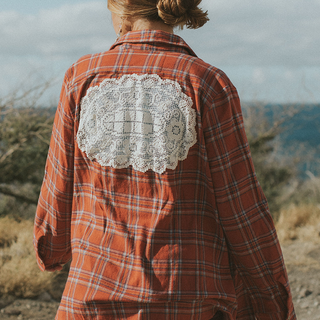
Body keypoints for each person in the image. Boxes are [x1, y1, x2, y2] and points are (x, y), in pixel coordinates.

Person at [34, 0, 296, 319]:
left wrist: (51, 249)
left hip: (92, 290)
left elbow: (59, 183)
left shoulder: (81, 76)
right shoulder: (208, 83)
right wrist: (271, 297)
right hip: (188, 295)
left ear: (122, 13)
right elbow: (241, 206)